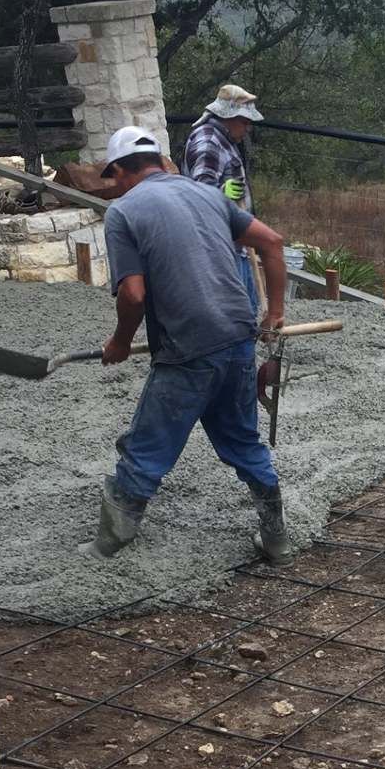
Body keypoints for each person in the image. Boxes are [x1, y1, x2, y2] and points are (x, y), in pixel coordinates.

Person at [95, 125, 290, 563]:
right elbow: (273, 243)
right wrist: (274, 314)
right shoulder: (208, 196)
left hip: (187, 347)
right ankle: (276, 536)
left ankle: (110, 542)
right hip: (239, 337)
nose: (116, 185)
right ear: (161, 163)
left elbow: (133, 294)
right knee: (243, 442)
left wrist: (121, 341)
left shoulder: (124, 212)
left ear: (122, 171)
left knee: (148, 446)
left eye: (114, 177)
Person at [185, 84, 264, 309]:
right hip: (220, 248)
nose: (247, 128)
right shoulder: (208, 143)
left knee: (246, 310)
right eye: (245, 122)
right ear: (228, 116)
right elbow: (198, 196)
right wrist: (221, 193)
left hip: (235, 243)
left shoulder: (223, 139)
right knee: (236, 313)